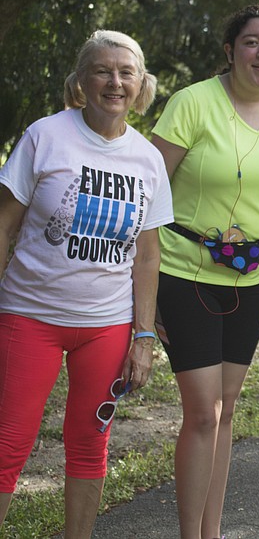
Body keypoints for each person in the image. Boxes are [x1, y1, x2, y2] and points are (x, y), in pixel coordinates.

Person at [151, 5, 259, 539]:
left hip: (254, 277)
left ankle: (213, 531)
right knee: (203, 412)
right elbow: (149, 192)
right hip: (184, 272)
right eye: (251, 42)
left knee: (227, 412)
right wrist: (144, 291)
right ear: (230, 51)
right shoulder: (191, 103)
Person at [0, 30, 172, 537]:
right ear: (81, 80)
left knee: (90, 443)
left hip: (106, 325)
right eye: (102, 70)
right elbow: (5, 222)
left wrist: (143, 336)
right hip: (30, 315)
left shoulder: (147, 158)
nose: (115, 82)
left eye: (126, 72)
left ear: (141, 85)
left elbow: (146, 253)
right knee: (10, 443)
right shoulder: (45, 136)